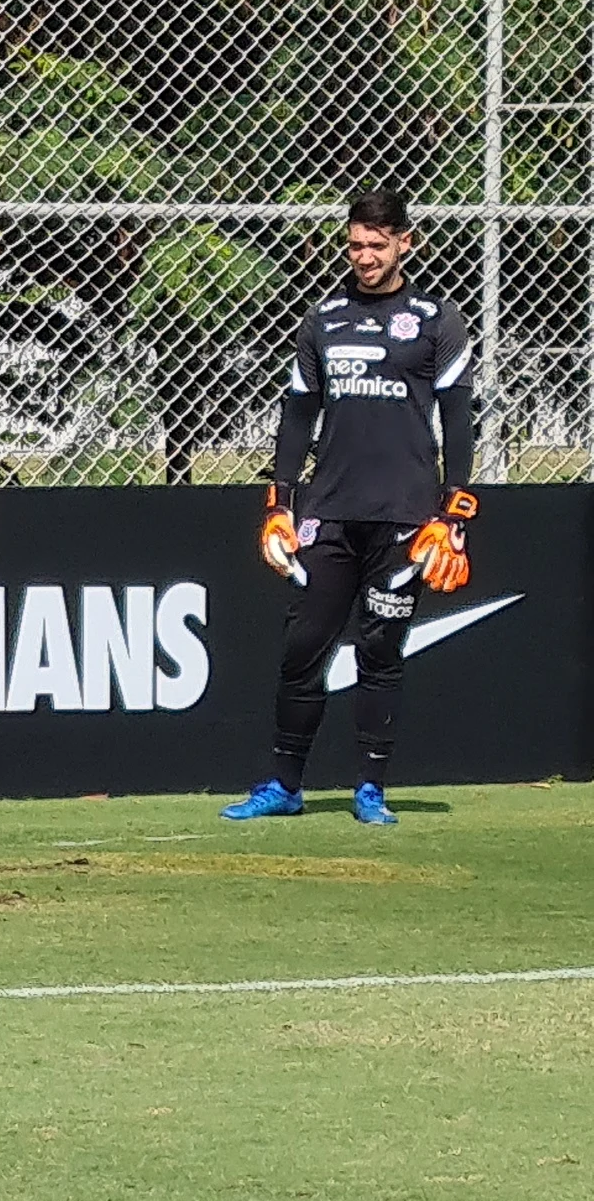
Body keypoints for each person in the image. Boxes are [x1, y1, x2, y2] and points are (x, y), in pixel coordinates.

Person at [225, 189, 478, 827]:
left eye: (376, 244)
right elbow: (298, 412)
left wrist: (454, 516)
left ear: (403, 244)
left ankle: (371, 788)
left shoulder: (434, 319)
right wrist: (279, 501)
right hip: (329, 510)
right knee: (303, 644)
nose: (364, 257)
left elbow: (458, 423)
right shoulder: (325, 319)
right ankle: (284, 784)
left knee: (381, 649)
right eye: (355, 244)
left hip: (406, 517)